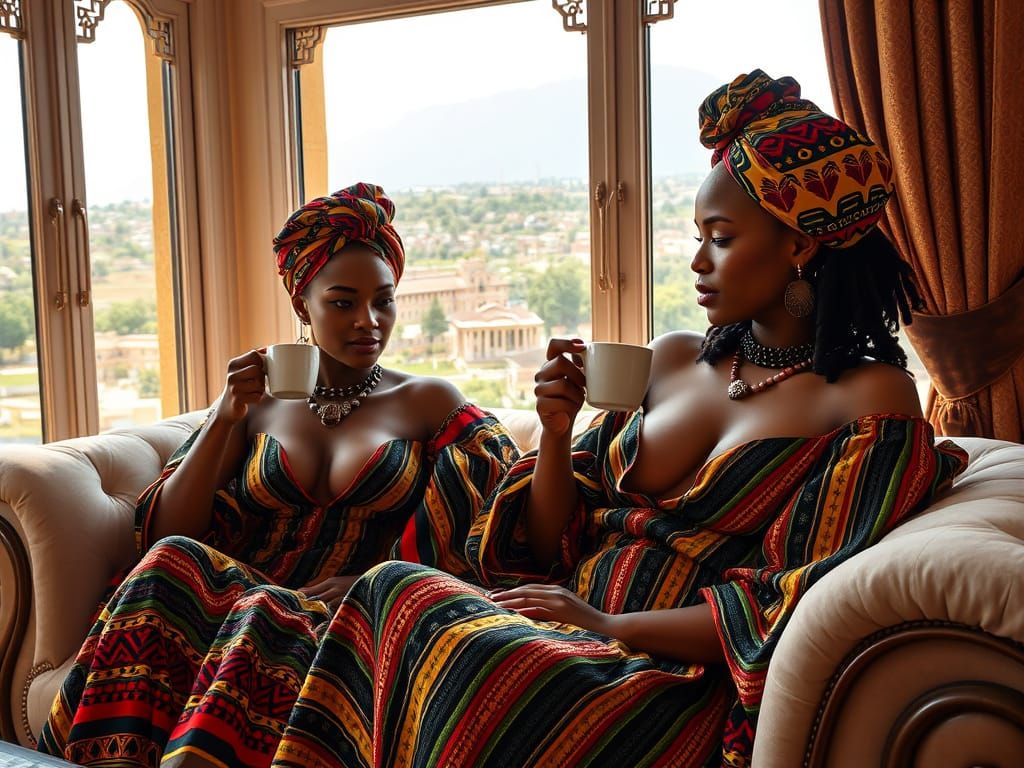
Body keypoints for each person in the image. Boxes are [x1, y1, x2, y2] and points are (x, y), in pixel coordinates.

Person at [268, 73, 967, 768]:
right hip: (555, 625)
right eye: (697, 235)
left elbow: (786, 602)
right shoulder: (672, 360)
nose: (697, 261)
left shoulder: (869, 402)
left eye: (720, 238)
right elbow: (544, 543)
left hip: (658, 676)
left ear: (799, 245)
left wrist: (605, 623)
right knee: (389, 589)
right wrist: (555, 430)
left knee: (413, 607)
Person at [36, 183, 518, 768]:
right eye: (342, 302)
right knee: (171, 567)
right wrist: (225, 416)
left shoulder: (427, 400)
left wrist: (375, 584)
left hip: (351, 615)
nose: (369, 321)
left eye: (383, 301)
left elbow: (492, 519)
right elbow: (165, 533)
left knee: (263, 614)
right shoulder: (259, 401)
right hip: (241, 599)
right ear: (302, 305)